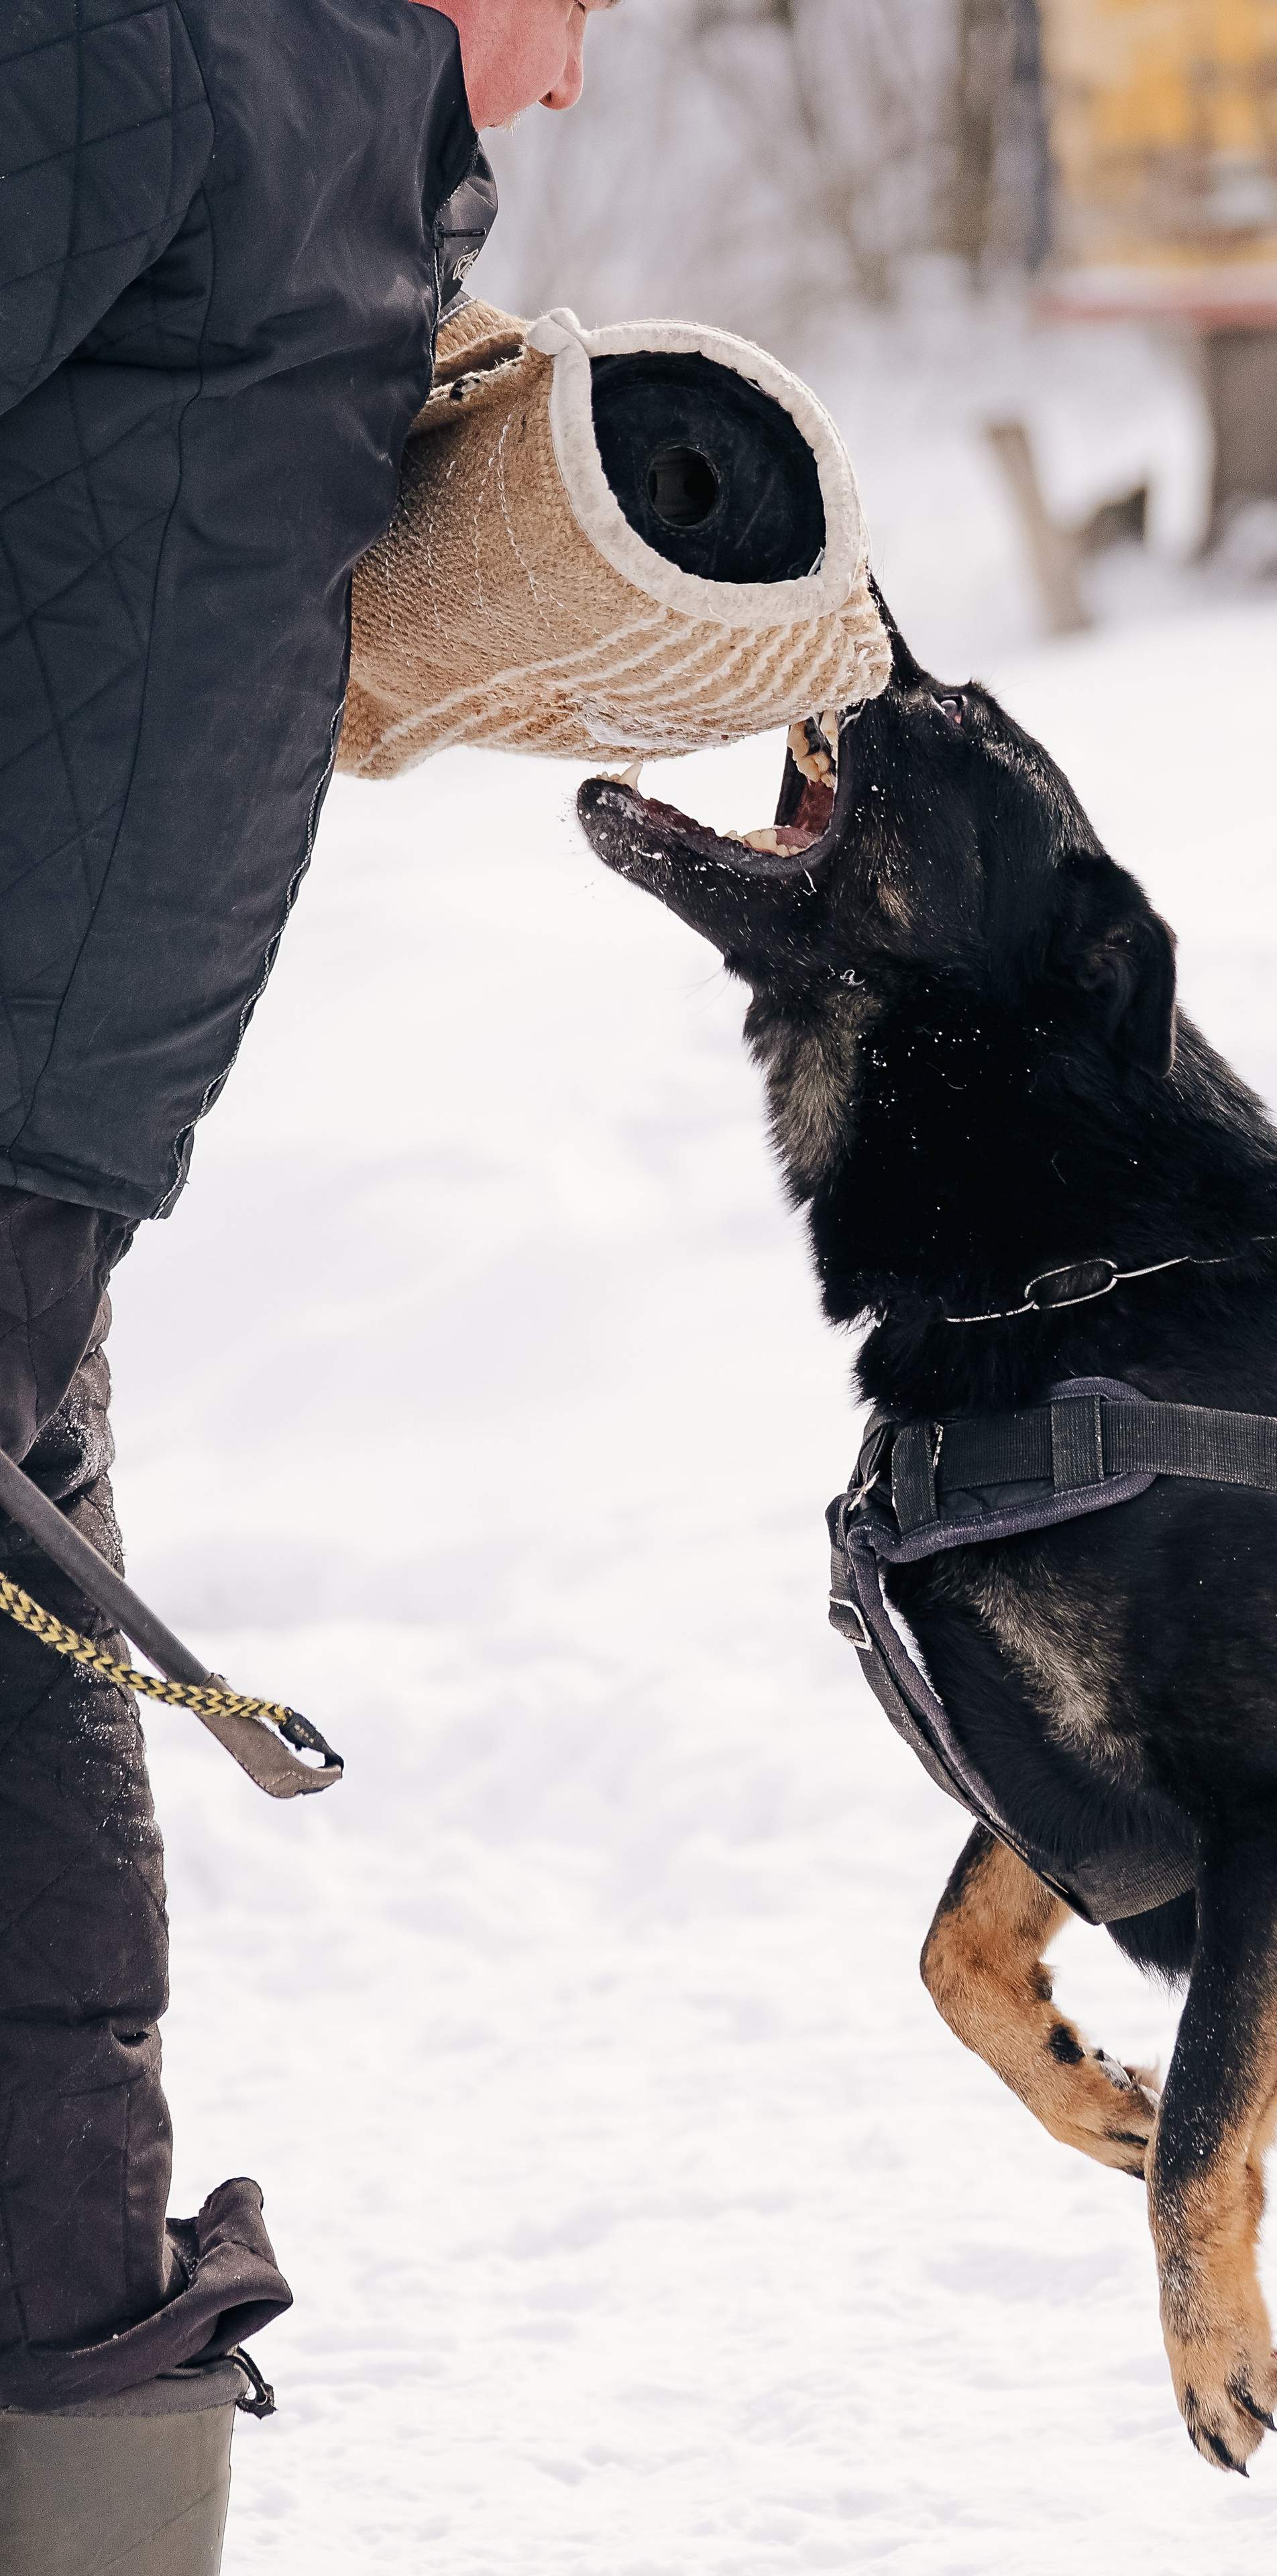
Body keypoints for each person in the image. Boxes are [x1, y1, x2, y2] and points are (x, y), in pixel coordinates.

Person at [0, 0, 610, 2417]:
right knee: (30, 1687)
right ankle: (72, 2380)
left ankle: (76, 2386)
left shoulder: (244, 77)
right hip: (59, 1073)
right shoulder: (210, 70)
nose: (567, 82)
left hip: (51, 1074)